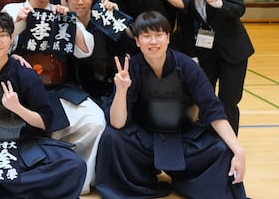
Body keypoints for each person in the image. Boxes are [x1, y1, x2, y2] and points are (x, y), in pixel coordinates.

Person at [95, 11, 247, 199]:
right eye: (146, 36)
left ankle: (189, 183)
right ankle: (140, 182)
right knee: (112, 138)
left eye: (158, 35)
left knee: (222, 148)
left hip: (185, 136)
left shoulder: (188, 66)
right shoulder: (131, 67)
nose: (153, 41)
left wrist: (238, 150)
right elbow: (117, 123)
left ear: (168, 38)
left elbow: (214, 111)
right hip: (145, 138)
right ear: (137, 41)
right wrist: (121, 90)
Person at [0, 12, 87, 199]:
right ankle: (20, 190)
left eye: (3, 35)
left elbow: (45, 121)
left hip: (24, 144)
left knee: (75, 165)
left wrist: (18, 108)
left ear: (11, 38)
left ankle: (2, 188)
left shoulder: (26, 74)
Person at [1, 0, 104, 194]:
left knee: (95, 120)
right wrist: (18, 22)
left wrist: (70, 20)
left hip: (58, 88)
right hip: (22, 91)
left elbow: (85, 50)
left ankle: (78, 180)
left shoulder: (60, 12)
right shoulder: (12, 10)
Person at [176, 0, 254, 134]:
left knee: (229, 101)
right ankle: (208, 141)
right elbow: (185, 28)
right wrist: (192, 56)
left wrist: (221, 4)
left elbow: (239, 9)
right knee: (204, 98)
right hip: (205, 52)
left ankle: (229, 144)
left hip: (233, 51)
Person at [62, 0, 128, 101]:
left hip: (109, 89)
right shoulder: (62, 23)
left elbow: (130, 44)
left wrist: (116, 14)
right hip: (73, 92)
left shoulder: (105, 20)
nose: (80, 2)